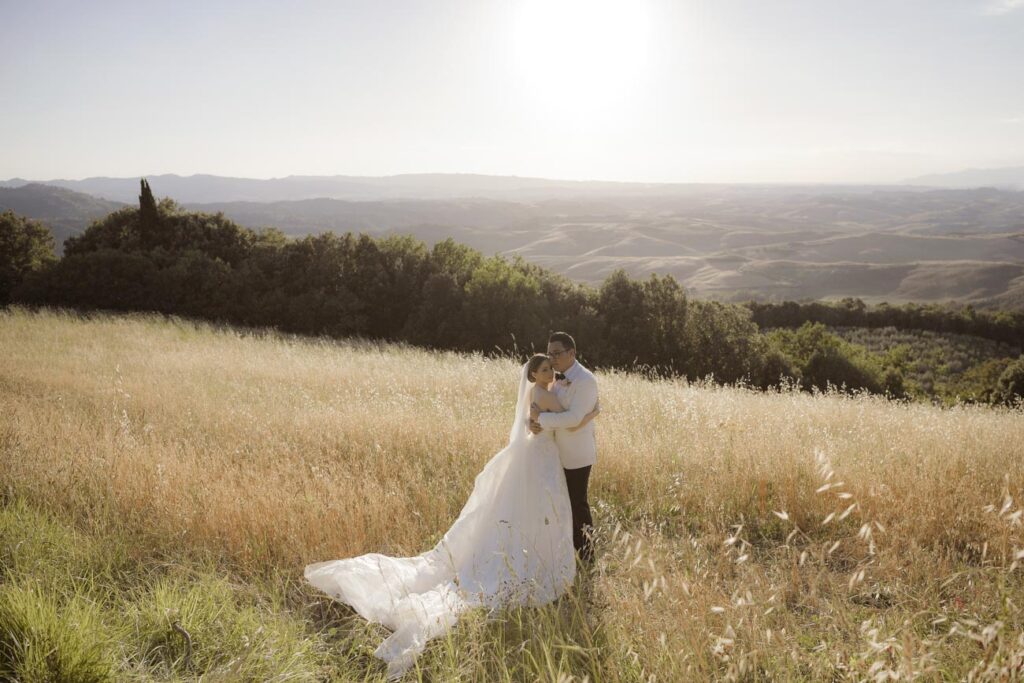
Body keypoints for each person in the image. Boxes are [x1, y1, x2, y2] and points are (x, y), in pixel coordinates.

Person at [305, 354, 599, 679]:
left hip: (536, 454)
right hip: (540, 456)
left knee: (525, 507)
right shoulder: (543, 393)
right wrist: (591, 414)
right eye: (544, 370)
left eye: (550, 369)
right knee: (535, 507)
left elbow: (541, 416)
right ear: (533, 375)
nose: (550, 373)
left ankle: (529, 545)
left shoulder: (540, 392)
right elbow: (568, 419)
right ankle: (532, 553)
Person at [529, 331, 599, 564]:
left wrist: (541, 420)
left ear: (572, 353)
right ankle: (568, 551)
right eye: (549, 353)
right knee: (562, 503)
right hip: (554, 451)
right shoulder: (555, 378)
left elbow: (573, 419)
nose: (552, 358)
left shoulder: (585, 380)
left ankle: (588, 555)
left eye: (557, 353)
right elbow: (547, 408)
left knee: (578, 503)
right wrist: (533, 421)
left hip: (576, 454)